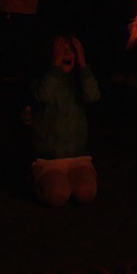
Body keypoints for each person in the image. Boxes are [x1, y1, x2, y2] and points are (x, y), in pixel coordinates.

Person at [29, 34, 99, 206]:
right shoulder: (41, 80)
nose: (66, 54)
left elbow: (93, 95)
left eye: (71, 51)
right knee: (58, 195)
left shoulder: (79, 81)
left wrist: (83, 63)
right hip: (49, 159)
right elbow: (44, 95)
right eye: (62, 51)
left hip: (77, 155)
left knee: (86, 193)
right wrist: (55, 65)